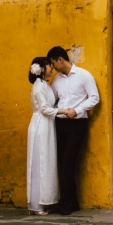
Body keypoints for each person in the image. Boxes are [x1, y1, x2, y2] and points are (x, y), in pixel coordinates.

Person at [48, 46, 100, 215]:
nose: (53, 66)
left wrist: (76, 110)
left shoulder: (84, 76)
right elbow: (53, 99)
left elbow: (94, 97)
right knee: (63, 163)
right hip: (60, 123)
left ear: (60, 60)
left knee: (69, 161)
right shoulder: (56, 80)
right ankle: (73, 202)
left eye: (53, 62)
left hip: (77, 124)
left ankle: (65, 203)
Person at [27, 57, 67, 215]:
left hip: (48, 125)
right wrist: (63, 111)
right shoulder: (38, 87)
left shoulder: (45, 85)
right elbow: (44, 108)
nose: (52, 68)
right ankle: (37, 204)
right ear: (42, 69)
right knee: (40, 163)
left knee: (47, 162)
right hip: (40, 125)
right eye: (49, 66)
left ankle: (46, 199)